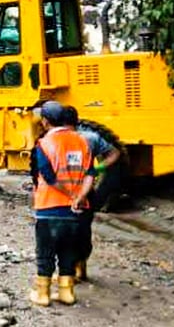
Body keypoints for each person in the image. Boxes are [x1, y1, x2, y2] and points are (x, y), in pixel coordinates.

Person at [29, 100, 96, 307]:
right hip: (75, 210)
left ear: (46, 121)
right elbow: (90, 174)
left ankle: (43, 294)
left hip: (49, 207)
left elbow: (48, 177)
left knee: (45, 253)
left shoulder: (44, 144)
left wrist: (68, 193)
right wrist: (79, 196)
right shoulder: (82, 142)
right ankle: (67, 293)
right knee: (68, 251)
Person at [65, 105, 121, 282]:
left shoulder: (56, 140)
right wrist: (98, 168)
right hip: (86, 192)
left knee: (66, 231)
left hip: (65, 193)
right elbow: (115, 153)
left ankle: (71, 272)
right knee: (83, 230)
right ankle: (81, 267)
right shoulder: (91, 137)